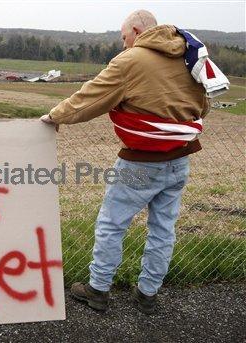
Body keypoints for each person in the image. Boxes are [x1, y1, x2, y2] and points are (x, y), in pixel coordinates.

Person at [40, 9, 210, 314]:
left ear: (136, 30)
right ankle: (147, 294)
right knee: (163, 229)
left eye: (123, 37)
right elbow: (204, 105)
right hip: (180, 160)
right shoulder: (190, 54)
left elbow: (90, 97)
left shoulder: (131, 60)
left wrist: (55, 116)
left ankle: (98, 289)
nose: (123, 44)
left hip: (140, 164)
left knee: (111, 224)